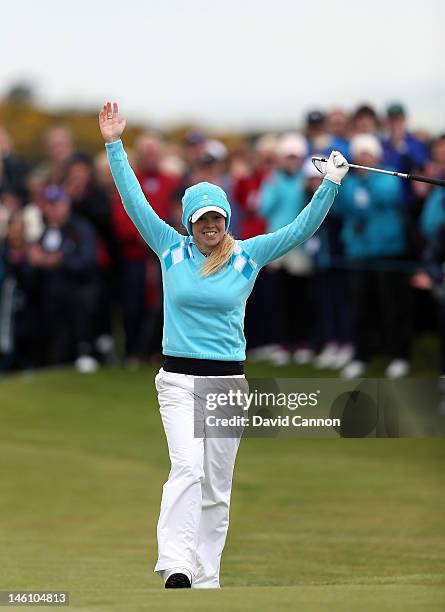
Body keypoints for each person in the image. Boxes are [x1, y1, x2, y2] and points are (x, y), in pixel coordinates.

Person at [99, 101, 348, 589]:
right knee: (186, 469)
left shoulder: (247, 256)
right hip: (178, 380)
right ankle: (176, 564)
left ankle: (207, 574)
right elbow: (133, 200)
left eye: (217, 218)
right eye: (202, 218)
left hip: (229, 382)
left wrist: (330, 187)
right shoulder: (170, 247)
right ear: (190, 221)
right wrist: (114, 145)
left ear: (226, 219)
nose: (210, 225)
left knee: (216, 486)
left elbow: (299, 230)